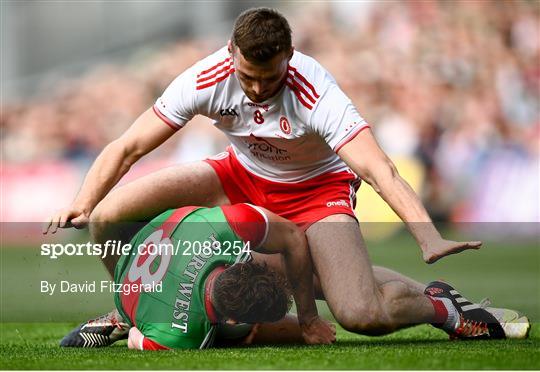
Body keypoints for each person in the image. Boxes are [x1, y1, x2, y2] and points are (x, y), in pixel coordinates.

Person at [44, 8, 527, 339]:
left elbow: (379, 168)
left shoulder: (316, 91)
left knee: (361, 314)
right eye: (246, 76)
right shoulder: (206, 77)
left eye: (268, 78)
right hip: (237, 176)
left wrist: (427, 237)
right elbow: (127, 146)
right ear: (230, 51)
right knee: (107, 217)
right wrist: (83, 201)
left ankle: (440, 306)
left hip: (317, 193)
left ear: (288, 58)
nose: (255, 89)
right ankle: (131, 314)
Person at [61, 203, 335, 349]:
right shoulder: (182, 338)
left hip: (152, 239)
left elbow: (290, 236)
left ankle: (122, 315)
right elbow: (136, 338)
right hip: (139, 281)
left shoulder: (226, 225)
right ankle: (122, 318)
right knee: (262, 335)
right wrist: (306, 322)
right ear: (232, 320)